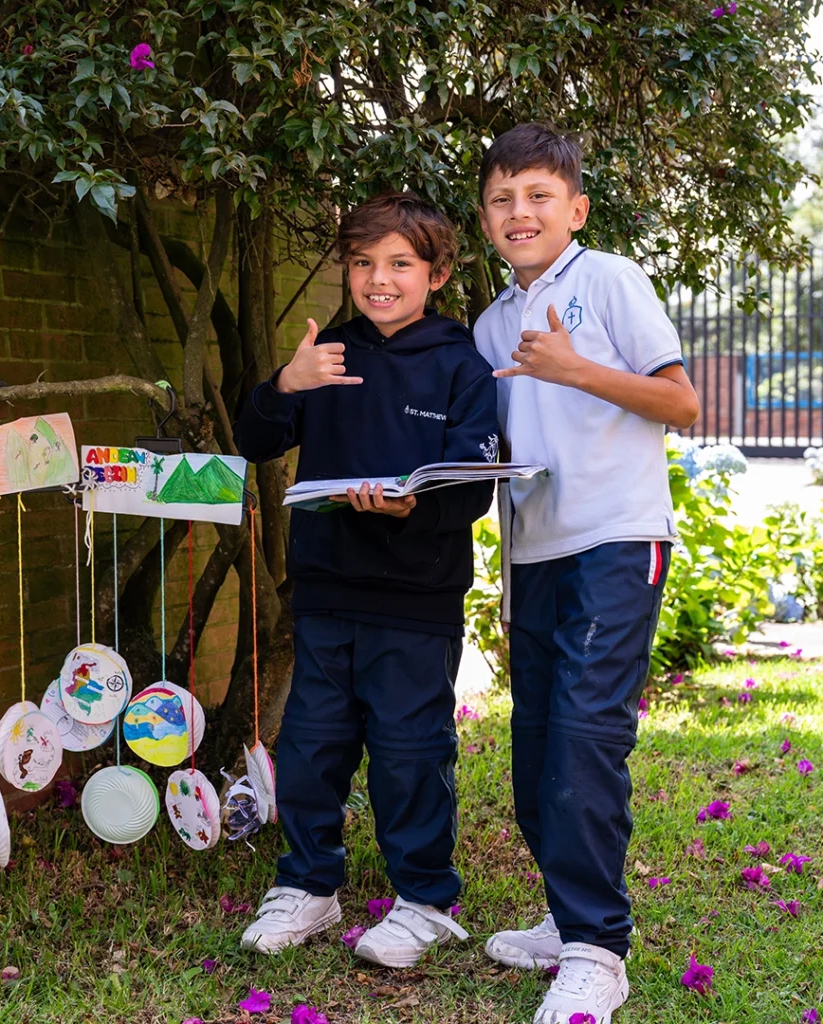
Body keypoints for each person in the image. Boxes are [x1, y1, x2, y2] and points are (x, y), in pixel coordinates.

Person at [234, 191, 499, 968]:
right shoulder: (328, 356)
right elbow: (256, 440)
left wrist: (410, 506)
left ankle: (424, 899)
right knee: (313, 745)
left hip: (417, 599)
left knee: (410, 750)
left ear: (438, 273)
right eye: (362, 263)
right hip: (325, 590)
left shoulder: (462, 364)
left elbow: (475, 488)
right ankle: (310, 886)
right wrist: (288, 383)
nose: (378, 279)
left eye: (399, 264)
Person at [472, 122, 700, 1024]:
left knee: (582, 737)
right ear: (485, 217)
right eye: (500, 198)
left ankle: (599, 950)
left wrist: (577, 368)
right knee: (535, 752)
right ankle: (568, 917)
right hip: (533, 554)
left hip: (615, 538)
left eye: (536, 196)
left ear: (576, 209)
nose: (518, 212)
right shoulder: (491, 320)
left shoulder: (609, 280)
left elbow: (680, 401)